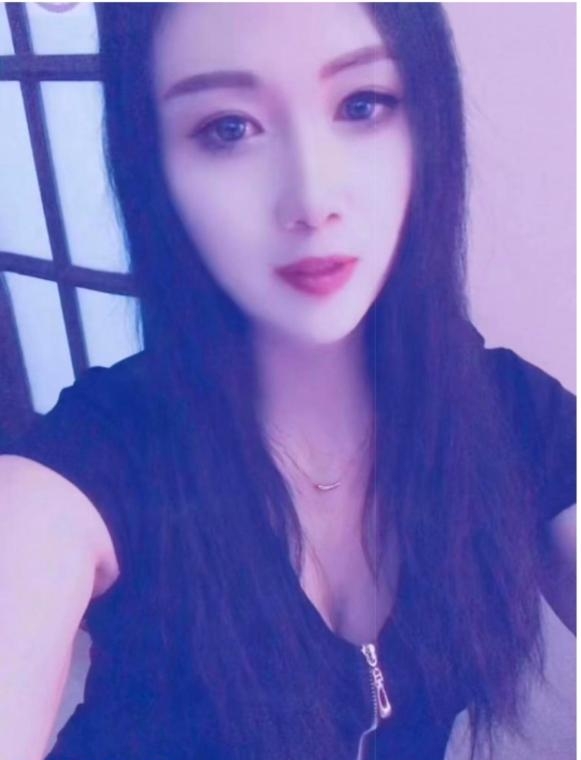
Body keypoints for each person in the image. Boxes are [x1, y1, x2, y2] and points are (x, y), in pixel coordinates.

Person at [0, 4, 575, 760]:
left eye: (361, 105)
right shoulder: (95, 461)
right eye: (228, 128)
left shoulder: (511, 414)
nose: (310, 198)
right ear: (155, 168)